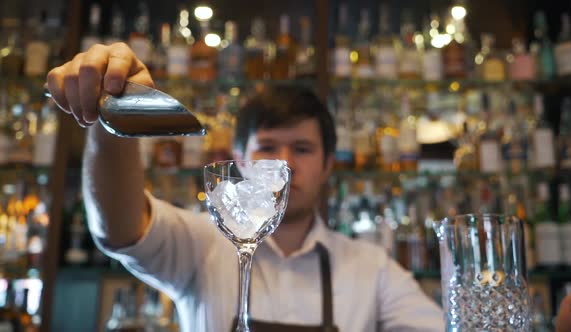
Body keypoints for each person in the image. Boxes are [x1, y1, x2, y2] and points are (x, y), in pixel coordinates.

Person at [47, 42, 443, 332]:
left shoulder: (372, 268)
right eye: (267, 149)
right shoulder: (201, 241)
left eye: (302, 149)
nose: (283, 165)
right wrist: (110, 115)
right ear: (238, 162)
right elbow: (118, 228)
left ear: (327, 166)